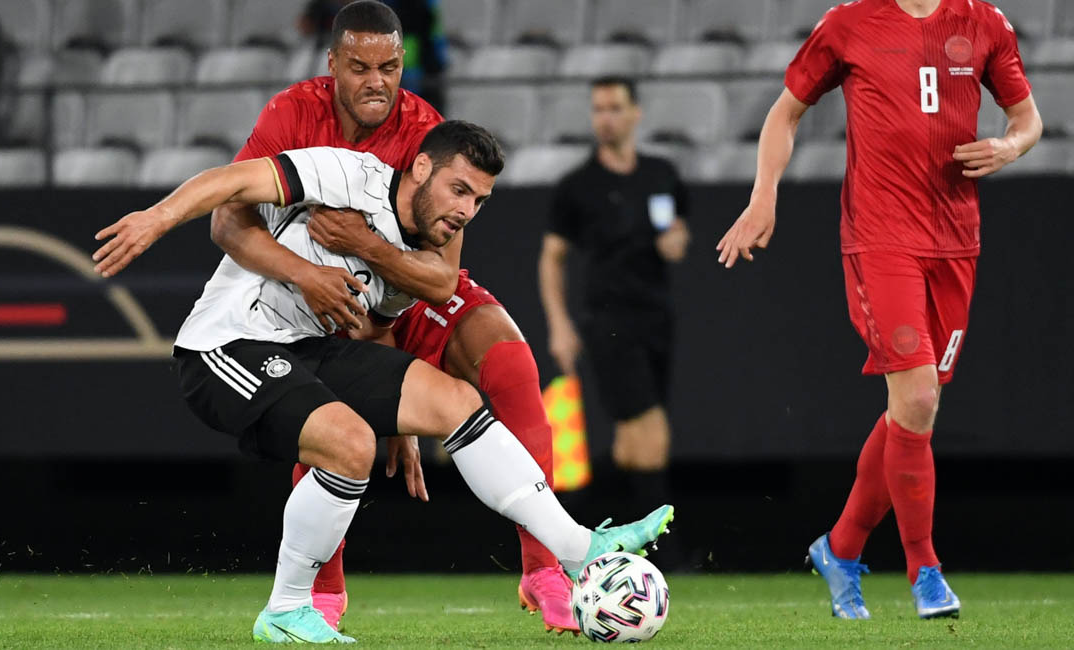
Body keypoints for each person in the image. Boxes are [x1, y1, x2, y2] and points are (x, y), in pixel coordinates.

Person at [92, 0, 581, 635]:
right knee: (335, 427)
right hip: (319, 299)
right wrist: (305, 273)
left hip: (396, 288)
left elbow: (439, 277)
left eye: (390, 67)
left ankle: (550, 566)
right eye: (360, 67)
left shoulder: (426, 135)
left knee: (509, 365)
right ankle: (315, 594)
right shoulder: (297, 117)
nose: (377, 82)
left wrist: (365, 251)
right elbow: (228, 221)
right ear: (332, 64)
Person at [97, 120, 674, 644]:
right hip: (226, 345)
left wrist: (399, 418)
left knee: (455, 400)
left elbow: (373, 330)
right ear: (420, 167)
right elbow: (232, 182)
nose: (466, 211)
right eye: (458, 190)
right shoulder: (348, 175)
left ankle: (578, 548)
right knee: (350, 445)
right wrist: (157, 218)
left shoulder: (417, 260)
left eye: (479, 200)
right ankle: (287, 607)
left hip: (308, 348)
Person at [716, 0, 1041, 620]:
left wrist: (1009, 146)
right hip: (880, 237)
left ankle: (840, 549)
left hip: (956, 240)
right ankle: (925, 570)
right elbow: (785, 112)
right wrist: (763, 197)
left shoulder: (985, 22)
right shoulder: (850, 23)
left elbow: (1027, 119)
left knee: (912, 410)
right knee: (917, 397)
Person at [539, 76, 690, 534]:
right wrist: (559, 325)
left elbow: (678, 234)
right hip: (608, 321)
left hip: (656, 317)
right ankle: (666, 552)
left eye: (614, 108)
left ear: (635, 113)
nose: (605, 118)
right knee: (652, 433)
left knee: (631, 446)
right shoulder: (577, 185)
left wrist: (676, 241)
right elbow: (552, 258)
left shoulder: (662, 173)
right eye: (598, 109)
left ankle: (573, 527)